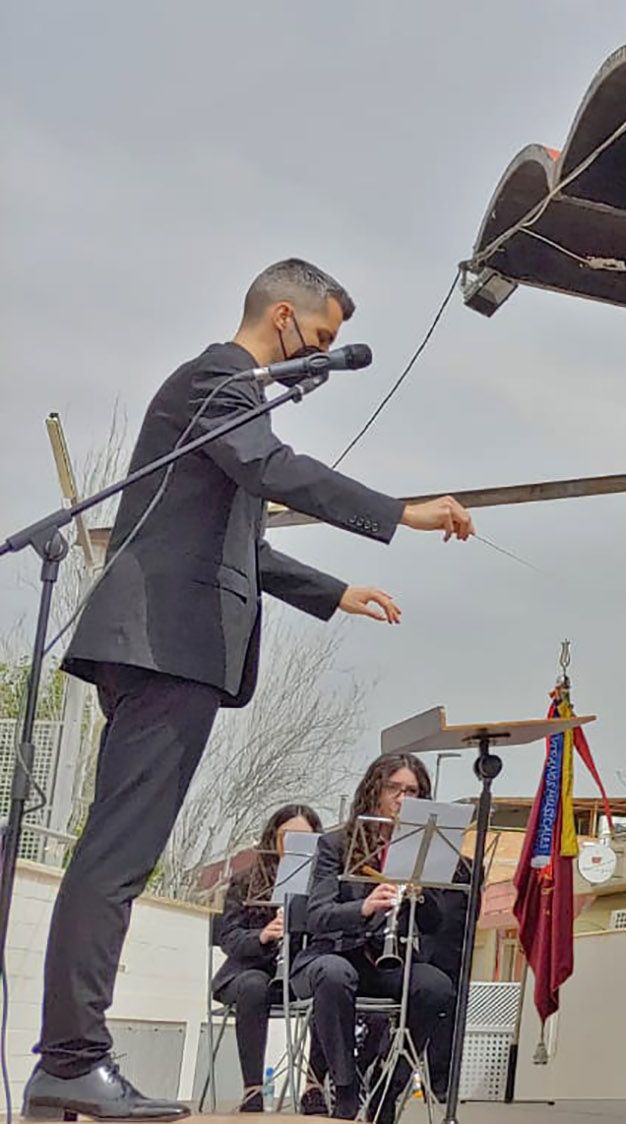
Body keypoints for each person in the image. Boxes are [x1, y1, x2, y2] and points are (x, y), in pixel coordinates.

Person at [34, 258, 474, 1121]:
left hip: (166, 648)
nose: (320, 363)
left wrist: (336, 591)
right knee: (116, 857)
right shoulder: (221, 380)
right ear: (282, 319)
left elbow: (244, 547)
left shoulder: (226, 406)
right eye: (320, 341)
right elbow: (273, 467)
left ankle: (69, 1062)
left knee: (118, 853)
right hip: (165, 647)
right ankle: (71, 1057)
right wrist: (398, 512)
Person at [296, 754, 465, 1122]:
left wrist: (422, 894)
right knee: (334, 974)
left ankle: (389, 1085)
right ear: (375, 791)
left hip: (391, 959)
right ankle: (344, 1088)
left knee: (436, 987)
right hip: (337, 952)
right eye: (395, 789)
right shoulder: (336, 845)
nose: (403, 799)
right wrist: (365, 908)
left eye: (413, 791)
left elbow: (435, 923)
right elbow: (318, 916)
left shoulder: (422, 848)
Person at [210, 804, 331, 1115]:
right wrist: (263, 936)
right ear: (272, 839)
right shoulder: (246, 881)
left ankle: (313, 1086)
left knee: (328, 978)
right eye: (287, 837)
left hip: (296, 973)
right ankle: (252, 1090)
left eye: (306, 839)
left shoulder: (324, 885)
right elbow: (229, 938)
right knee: (254, 984)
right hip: (248, 972)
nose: (295, 846)